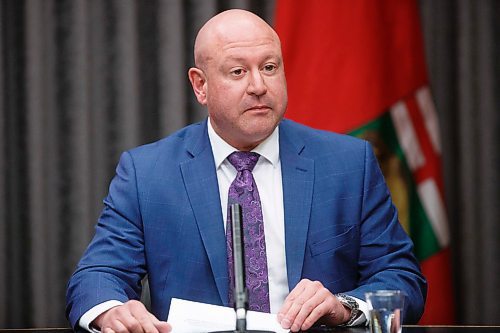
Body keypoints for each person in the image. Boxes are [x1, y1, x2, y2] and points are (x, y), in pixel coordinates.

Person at [66, 9, 426, 333]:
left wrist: (346, 308)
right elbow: (98, 276)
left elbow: (403, 282)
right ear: (200, 85)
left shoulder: (349, 164)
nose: (258, 86)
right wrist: (112, 312)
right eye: (238, 72)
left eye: (269, 67)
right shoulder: (147, 173)